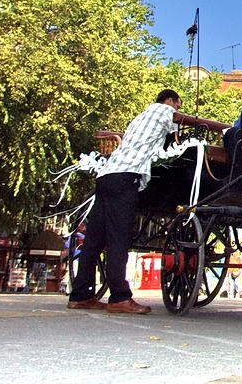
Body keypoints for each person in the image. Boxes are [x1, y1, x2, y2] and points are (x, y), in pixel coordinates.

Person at [68, 89, 182, 314]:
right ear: (170, 100)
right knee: (118, 238)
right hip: (126, 178)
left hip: (107, 176)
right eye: (178, 105)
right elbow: (179, 132)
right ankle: (120, 297)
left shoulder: (139, 118)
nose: (177, 109)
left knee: (94, 240)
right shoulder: (164, 111)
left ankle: (81, 295)